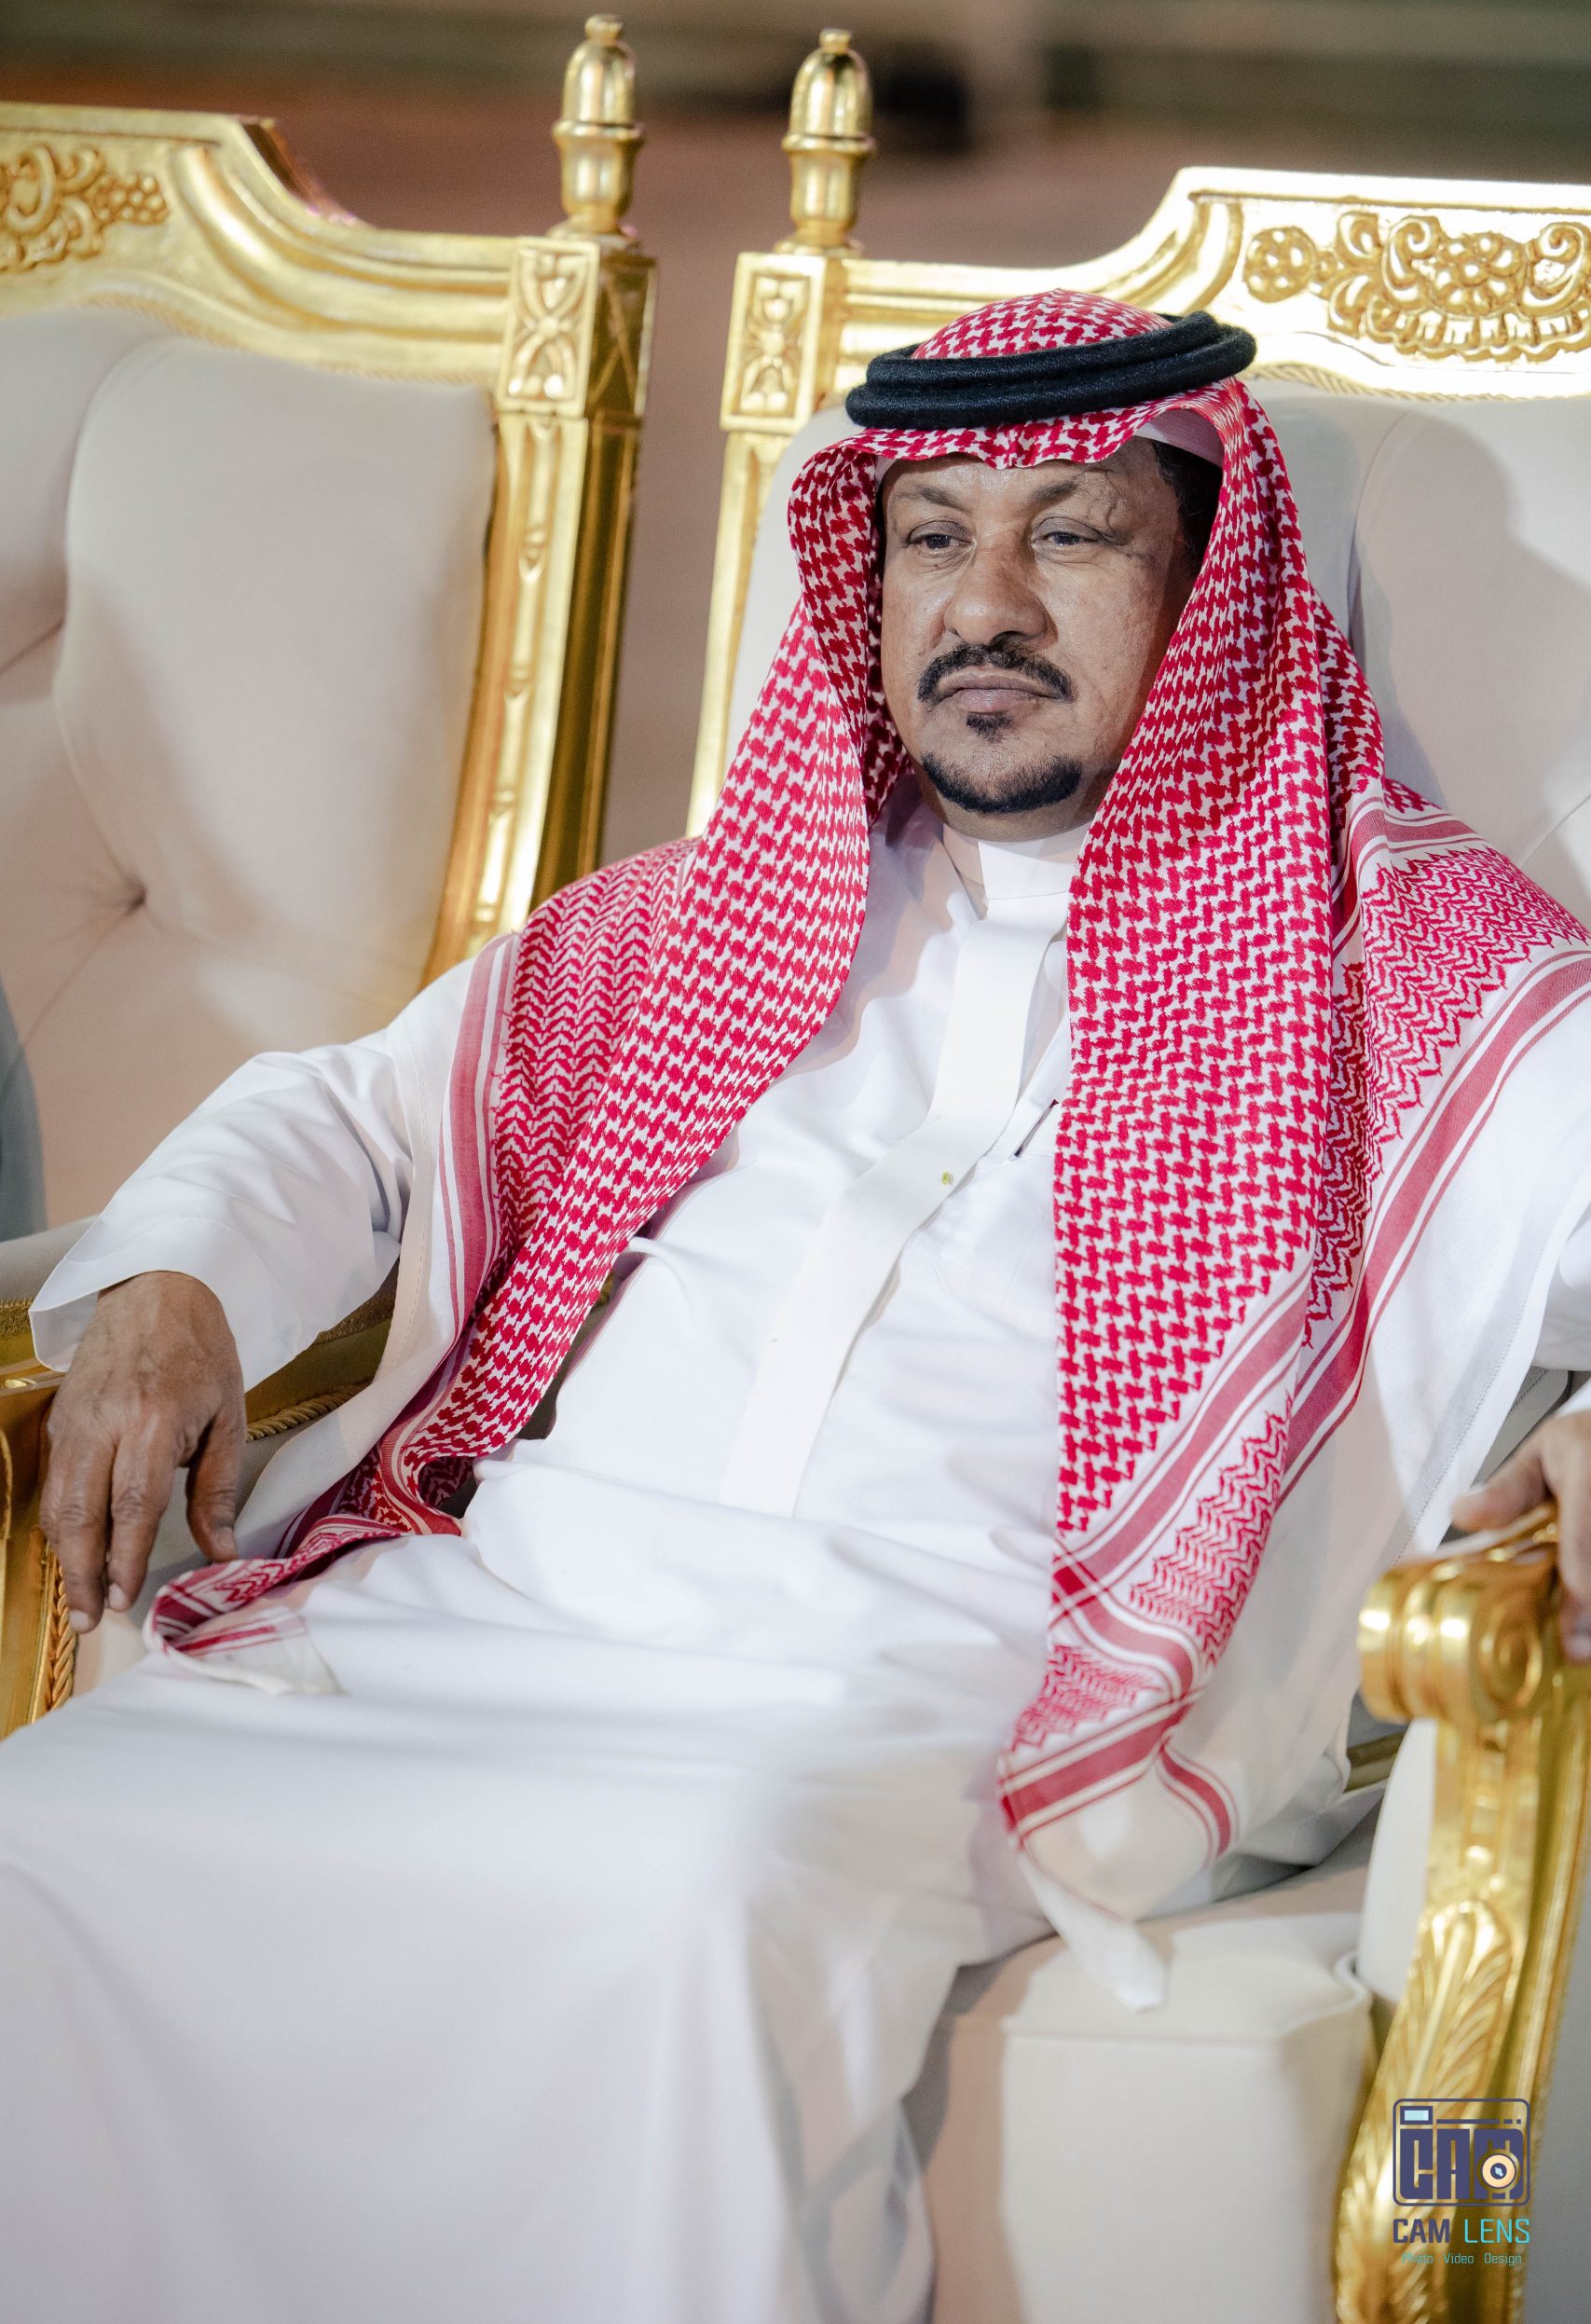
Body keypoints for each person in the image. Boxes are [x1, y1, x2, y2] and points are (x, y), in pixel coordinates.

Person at [4, 288, 1591, 2324]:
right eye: (931, 537)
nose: (983, 603)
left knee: (687, 1903)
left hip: (941, 1688)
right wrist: (169, 1287)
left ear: (1211, 589)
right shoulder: (725, 910)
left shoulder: (1408, 960)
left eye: (1071, 533)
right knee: (48, 1834)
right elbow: (356, 1120)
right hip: (502, 1619)